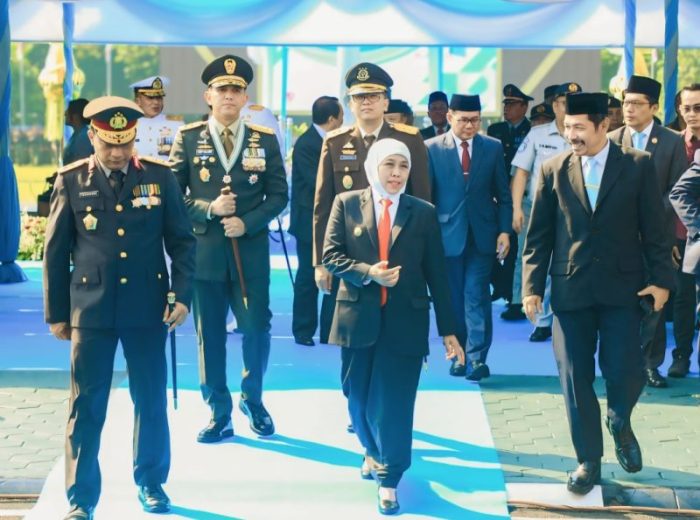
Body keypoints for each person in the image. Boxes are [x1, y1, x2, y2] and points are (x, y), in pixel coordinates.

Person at [43, 96, 196, 519]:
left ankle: (151, 482)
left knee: (150, 399)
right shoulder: (72, 179)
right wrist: (57, 313)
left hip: (148, 307)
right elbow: (55, 252)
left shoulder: (160, 177)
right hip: (90, 309)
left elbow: (182, 242)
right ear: (93, 136)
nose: (117, 153)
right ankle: (81, 498)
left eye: (125, 143)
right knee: (86, 404)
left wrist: (183, 296)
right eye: (109, 144)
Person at [522, 92, 674, 495]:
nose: (571, 136)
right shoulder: (553, 169)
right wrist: (531, 287)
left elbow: (655, 230)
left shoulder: (637, 165)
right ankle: (588, 460)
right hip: (570, 290)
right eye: (566, 128)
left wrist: (662, 281)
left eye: (579, 128)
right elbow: (538, 236)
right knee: (574, 377)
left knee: (626, 370)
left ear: (603, 125)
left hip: (624, 289)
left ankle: (619, 419)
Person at [322, 138, 464, 515]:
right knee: (357, 397)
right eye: (390, 165)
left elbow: (438, 274)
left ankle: (390, 477)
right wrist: (368, 273)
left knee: (396, 403)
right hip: (356, 319)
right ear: (374, 167)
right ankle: (371, 450)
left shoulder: (423, 212)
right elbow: (331, 256)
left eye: (403, 166)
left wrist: (449, 330)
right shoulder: (346, 203)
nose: (397, 173)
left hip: (406, 322)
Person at [170, 54, 288, 442]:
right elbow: (173, 197)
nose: (229, 96)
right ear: (208, 95)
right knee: (210, 336)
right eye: (222, 89)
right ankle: (218, 411)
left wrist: (248, 221)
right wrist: (209, 209)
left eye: (236, 90)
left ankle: (253, 399)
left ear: (245, 97)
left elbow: (279, 194)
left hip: (249, 255)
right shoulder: (188, 138)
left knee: (256, 329)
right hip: (204, 256)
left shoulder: (263, 139)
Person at [608, 75, 688, 388]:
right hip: (618, 238)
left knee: (656, 302)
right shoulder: (612, 138)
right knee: (621, 302)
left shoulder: (671, 141)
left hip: (656, 237)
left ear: (653, 107)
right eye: (626, 103)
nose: (628, 109)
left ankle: (651, 365)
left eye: (636, 104)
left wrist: (649, 217)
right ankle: (623, 363)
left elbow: (677, 188)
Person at [426, 94, 512, 381]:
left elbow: (503, 194)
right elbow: (427, 199)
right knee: (452, 298)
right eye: (463, 120)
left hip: (482, 235)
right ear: (450, 117)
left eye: (475, 120)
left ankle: (476, 358)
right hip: (446, 236)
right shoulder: (431, 149)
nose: (470, 126)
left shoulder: (492, 147)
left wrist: (504, 231)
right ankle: (457, 356)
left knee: (476, 295)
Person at [507, 82, 582, 334]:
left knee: (571, 262)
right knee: (537, 260)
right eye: (562, 103)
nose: (567, 108)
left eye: (572, 103)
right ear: (554, 105)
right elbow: (521, 173)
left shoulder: (587, 133)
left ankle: (565, 316)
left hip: (576, 209)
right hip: (538, 207)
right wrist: (516, 208)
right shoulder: (537, 134)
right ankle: (540, 321)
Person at [290, 96, 344, 346]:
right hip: (308, 222)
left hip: (333, 218)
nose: (342, 121)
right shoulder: (307, 143)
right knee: (307, 276)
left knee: (336, 271)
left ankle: (329, 330)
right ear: (332, 119)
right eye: (340, 116)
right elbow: (317, 182)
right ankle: (303, 330)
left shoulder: (337, 141)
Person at [487, 84, 532, 304]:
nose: (507, 108)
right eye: (506, 104)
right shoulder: (495, 130)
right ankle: (499, 285)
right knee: (492, 242)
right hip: (497, 195)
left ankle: (512, 294)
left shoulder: (531, 131)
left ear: (524, 107)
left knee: (515, 247)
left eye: (512, 104)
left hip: (520, 196)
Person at [667, 83, 700, 377]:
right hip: (677, 236)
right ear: (679, 110)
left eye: (698, 108)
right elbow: (663, 193)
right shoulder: (671, 142)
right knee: (682, 298)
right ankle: (681, 355)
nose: (692, 114)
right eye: (687, 108)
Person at [130, 76, 183, 160]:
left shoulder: (176, 124)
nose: (156, 102)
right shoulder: (129, 125)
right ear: (138, 101)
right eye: (150, 98)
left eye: (159, 98)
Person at [62, 98, 93, 165]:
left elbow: (81, 166)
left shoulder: (83, 137)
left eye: (68, 111)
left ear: (76, 116)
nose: (65, 113)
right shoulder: (78, 134)